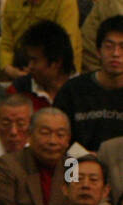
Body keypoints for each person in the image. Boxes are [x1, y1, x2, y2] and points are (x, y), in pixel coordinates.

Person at [0, 107, 75, 205]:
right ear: (30, 135)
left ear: (68, 139)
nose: (53, 141)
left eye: (60, 135)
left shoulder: (71, 165)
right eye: (45, 133)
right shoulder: (7, 166)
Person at [53, 15, 123, 151]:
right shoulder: (72, 91)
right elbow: (57, 139)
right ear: (98, 51)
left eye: (122, 47)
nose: (116, 53)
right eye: (109, 47)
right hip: (75, 167)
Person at [0, 0, 81, 81]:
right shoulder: (11, 3)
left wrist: (36, 70)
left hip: (55, 73)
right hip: (20, 71)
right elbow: (6, 45)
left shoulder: (65, 2)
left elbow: (65, 48)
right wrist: (10, 70)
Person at [9, 19, 76, 110]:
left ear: (56, 62)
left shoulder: (85, 92)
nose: (30, 66)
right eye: (29, 60)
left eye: (34, 61)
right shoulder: (19, 90)